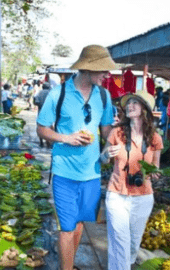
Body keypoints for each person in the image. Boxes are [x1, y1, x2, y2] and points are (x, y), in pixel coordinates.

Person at [36, 44, 116, 270]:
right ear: (88, 69)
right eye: (102, 70)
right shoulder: (58, 94)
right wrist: (66, 138)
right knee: (67, 228)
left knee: (80, 225)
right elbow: (41, 129)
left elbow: (106, 128)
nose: (106, 74)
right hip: (64, 171)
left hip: (91, 173)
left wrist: (109, 146)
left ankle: (68, 264)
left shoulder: (104, 95)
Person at [100, 91, 163, 270]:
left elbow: (156, 167)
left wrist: (155, 173)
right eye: (128, 103)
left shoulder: (155, 138)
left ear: (145, 110)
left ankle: (125, 264)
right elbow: (102, 158)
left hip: (143, 197)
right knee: (120, 240)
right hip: (116, 194)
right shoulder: (116, 133)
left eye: (135, 103)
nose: (129, 106)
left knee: (133, 243)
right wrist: (106, 155)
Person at [34, 82, 52, 147]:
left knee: (40, 127)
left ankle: (41, 142)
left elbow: (36, 102)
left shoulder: (39, 93)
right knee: (49, 127)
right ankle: (48, 143)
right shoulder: (52, 93)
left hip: (41, 112)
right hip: (50, 113)